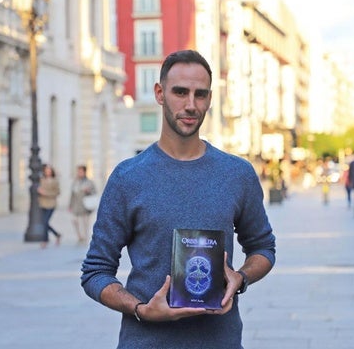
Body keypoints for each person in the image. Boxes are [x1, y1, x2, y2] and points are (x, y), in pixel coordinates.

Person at [80, 49, 276, 348]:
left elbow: (263, 247)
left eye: (200, 95)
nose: (190, 105)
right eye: (180, 92)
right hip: (145, 342)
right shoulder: (128, 177)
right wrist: (140, 309)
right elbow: (95, 271)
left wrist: (240, 278)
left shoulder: (238, 174)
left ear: (210, 99)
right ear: (160, 93)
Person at [69, 165, 97, 244]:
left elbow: (94, 192)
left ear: (84, 172)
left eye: (81, 171)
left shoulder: (89, 182)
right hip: (76, 205)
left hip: (85, 206)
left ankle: (85, 237)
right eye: (78, 171)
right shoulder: (75, 182)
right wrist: (70, 205)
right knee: (74, 220)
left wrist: (88, 191)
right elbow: (72, 194)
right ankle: (79, 236)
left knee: (85, 223)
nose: (79, 173)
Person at [38, 164, 61, 248]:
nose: (47, 172)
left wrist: (45, 193)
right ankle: (57, 235)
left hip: (51, 204)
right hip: (42, 203)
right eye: (46, 170)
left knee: (45, 222)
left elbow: (57, 192)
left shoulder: (55, 181)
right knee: (44, 223)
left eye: (49, 170)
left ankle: (44, 240)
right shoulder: (41, 180)